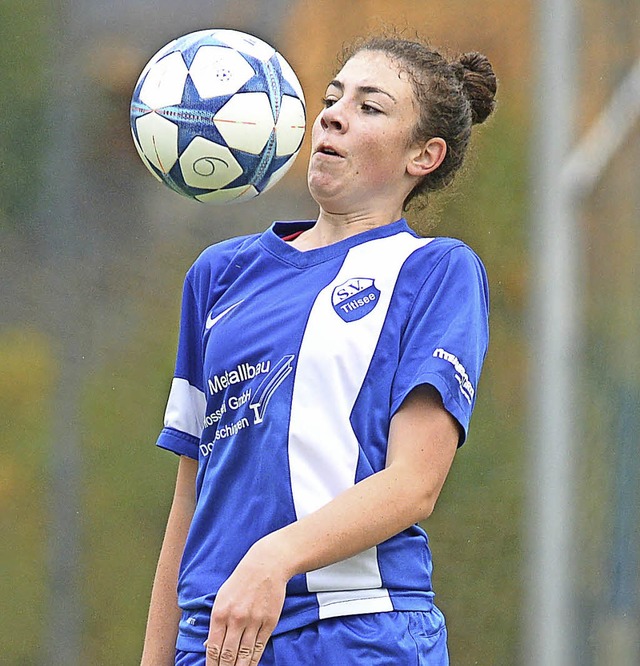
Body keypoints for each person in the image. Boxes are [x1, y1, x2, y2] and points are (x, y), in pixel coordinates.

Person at [140, 32, 497, 666]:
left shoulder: (434, 271)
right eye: (333, 97)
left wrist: (273, 557)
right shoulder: (220, 275)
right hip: (216, 638)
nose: (331, 113)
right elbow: (189, 500)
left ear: (425, 154)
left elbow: (415, 483)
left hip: (358, 631)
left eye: (370, 106)